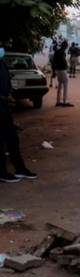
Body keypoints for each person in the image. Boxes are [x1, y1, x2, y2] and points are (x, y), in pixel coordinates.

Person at [0, 46, 37, 183]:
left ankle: (20, 169)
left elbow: (7, 84)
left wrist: (9, 95)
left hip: (5, 110)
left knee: (12, 140)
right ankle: (2, 173)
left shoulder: (2, 64)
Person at [52, 41, 73, 107]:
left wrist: (53, 71)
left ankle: (58, 101)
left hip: (57, 70)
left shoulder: (57, 51)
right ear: (65, 46)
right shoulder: (62, 52)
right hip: (62, 69)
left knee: (60, 86)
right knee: (65, 85)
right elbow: (63, 61)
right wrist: (67, 66)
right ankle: (65, 101)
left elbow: (53, 61)